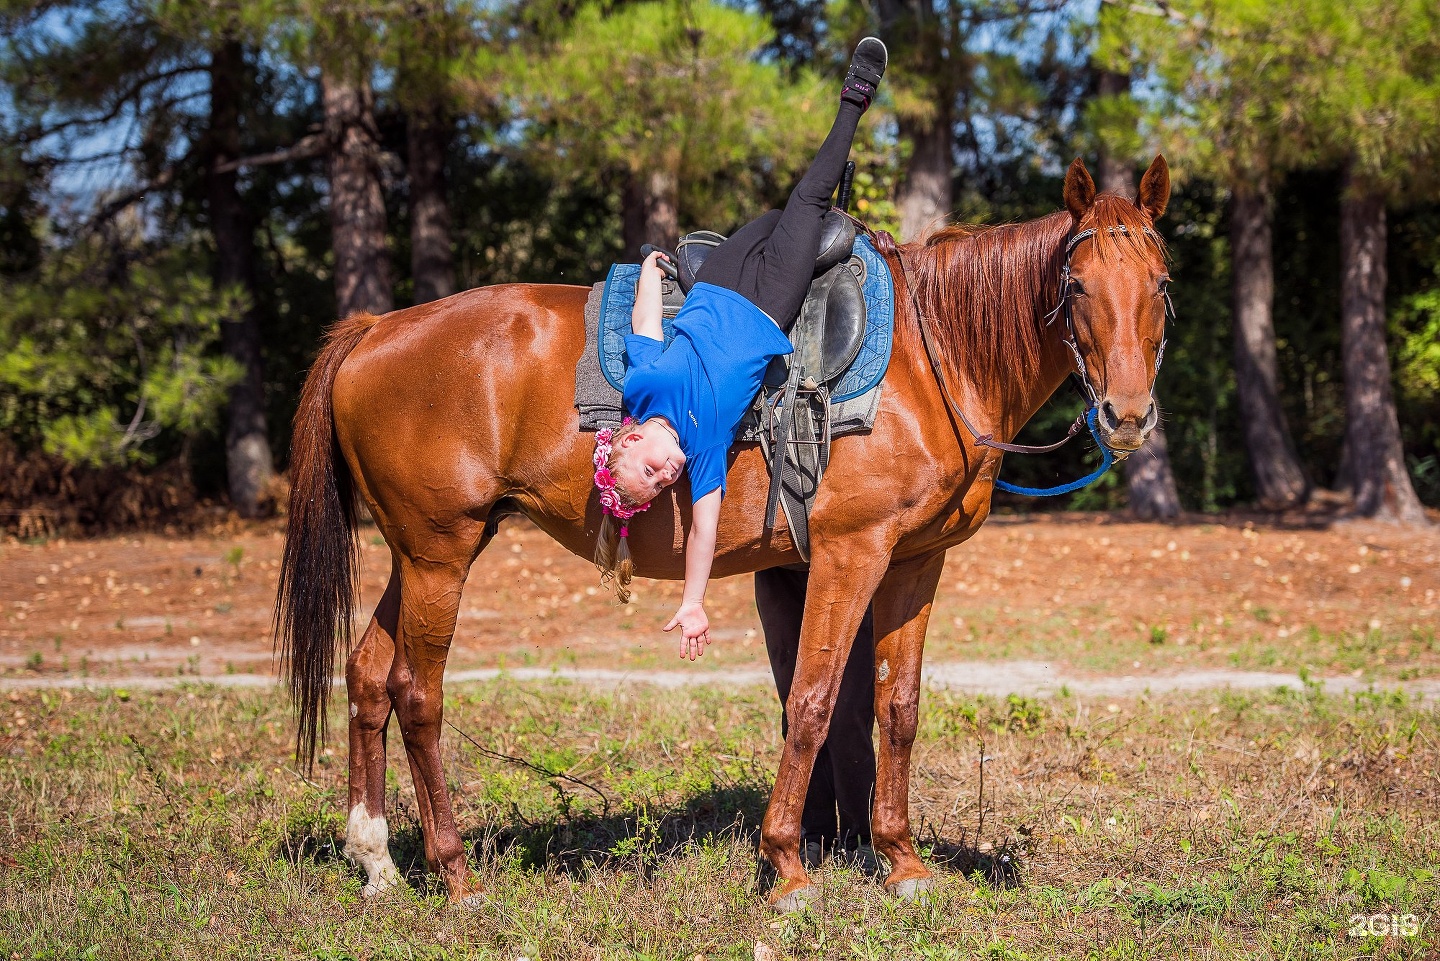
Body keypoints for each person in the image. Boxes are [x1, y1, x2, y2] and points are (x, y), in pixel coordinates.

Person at [592, 37, 888, 658]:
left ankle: (813, 200)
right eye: (659, 484)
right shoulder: (702, 452)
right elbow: (703, 531)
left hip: (717, 280)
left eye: (650, 469)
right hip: (766, 304)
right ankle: (855, 99)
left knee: (777, 214)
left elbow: (644, 329)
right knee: (807, 204)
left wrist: (650, 274)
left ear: (630, 435)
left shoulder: (641, 388)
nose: (666, 473)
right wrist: (692, 601)